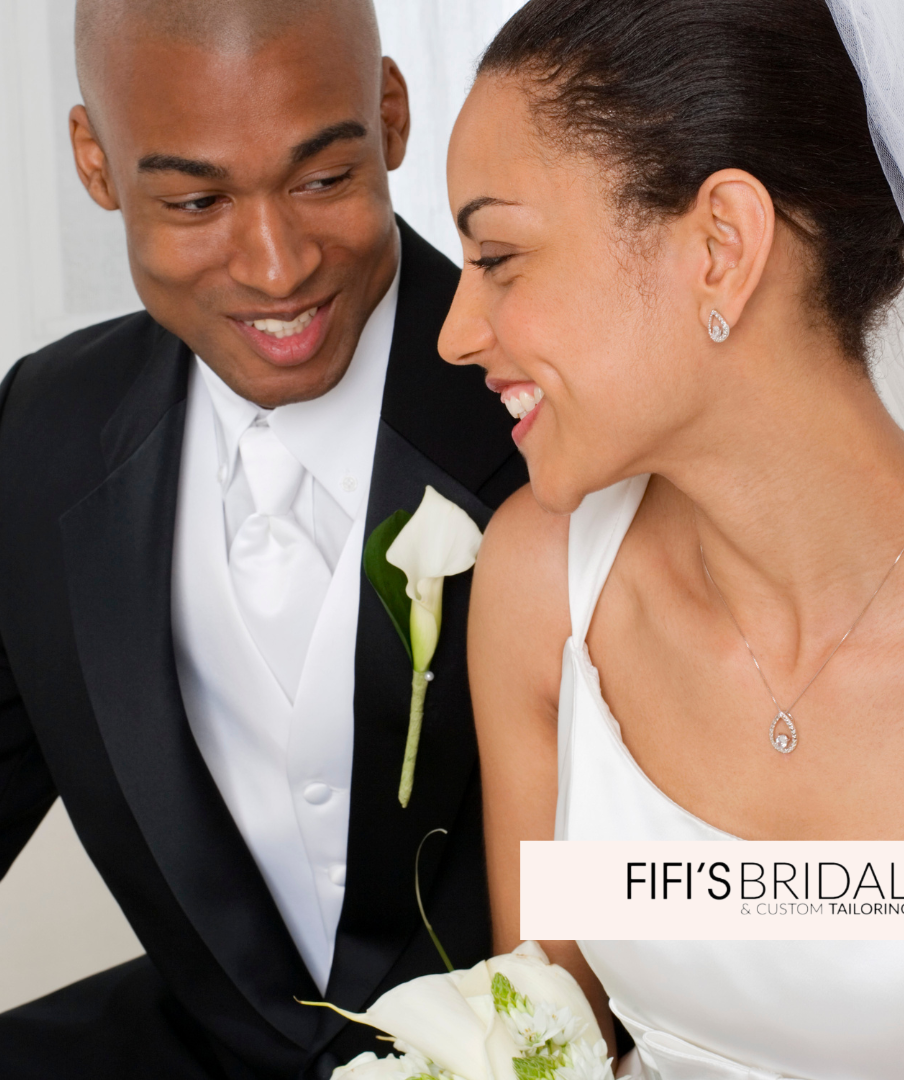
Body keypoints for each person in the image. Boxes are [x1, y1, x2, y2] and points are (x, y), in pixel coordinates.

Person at [443, 0, 904, 1075]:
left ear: (721, 247)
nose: (458, 335)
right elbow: (543, 1044)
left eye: (499, 256)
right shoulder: (544, 592)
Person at [0, 1, 526, 1077]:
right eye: (196, 200)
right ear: (96, 165)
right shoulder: (43, 426)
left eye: (324, 180)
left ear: (389, 114)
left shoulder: (556, 405)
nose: (278, 267)